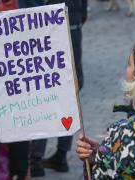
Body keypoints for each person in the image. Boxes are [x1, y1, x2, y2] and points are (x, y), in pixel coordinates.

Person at [76, 35, 135, 179]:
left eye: (129, 64)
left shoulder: (124, 133)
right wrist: (103, 155)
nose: (126, 71)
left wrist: (104, 159)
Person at [18, 0, 88, 177]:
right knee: (66, 89)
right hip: (71, 19)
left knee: (44, 89)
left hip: (46, 22)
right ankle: (60, 155)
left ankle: (35, 159)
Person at [0, 1, 29, 180]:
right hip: (17, 44)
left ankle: (16, 171)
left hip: (4, 43)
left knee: (0, 119)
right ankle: (18, 172)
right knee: (16, 113)